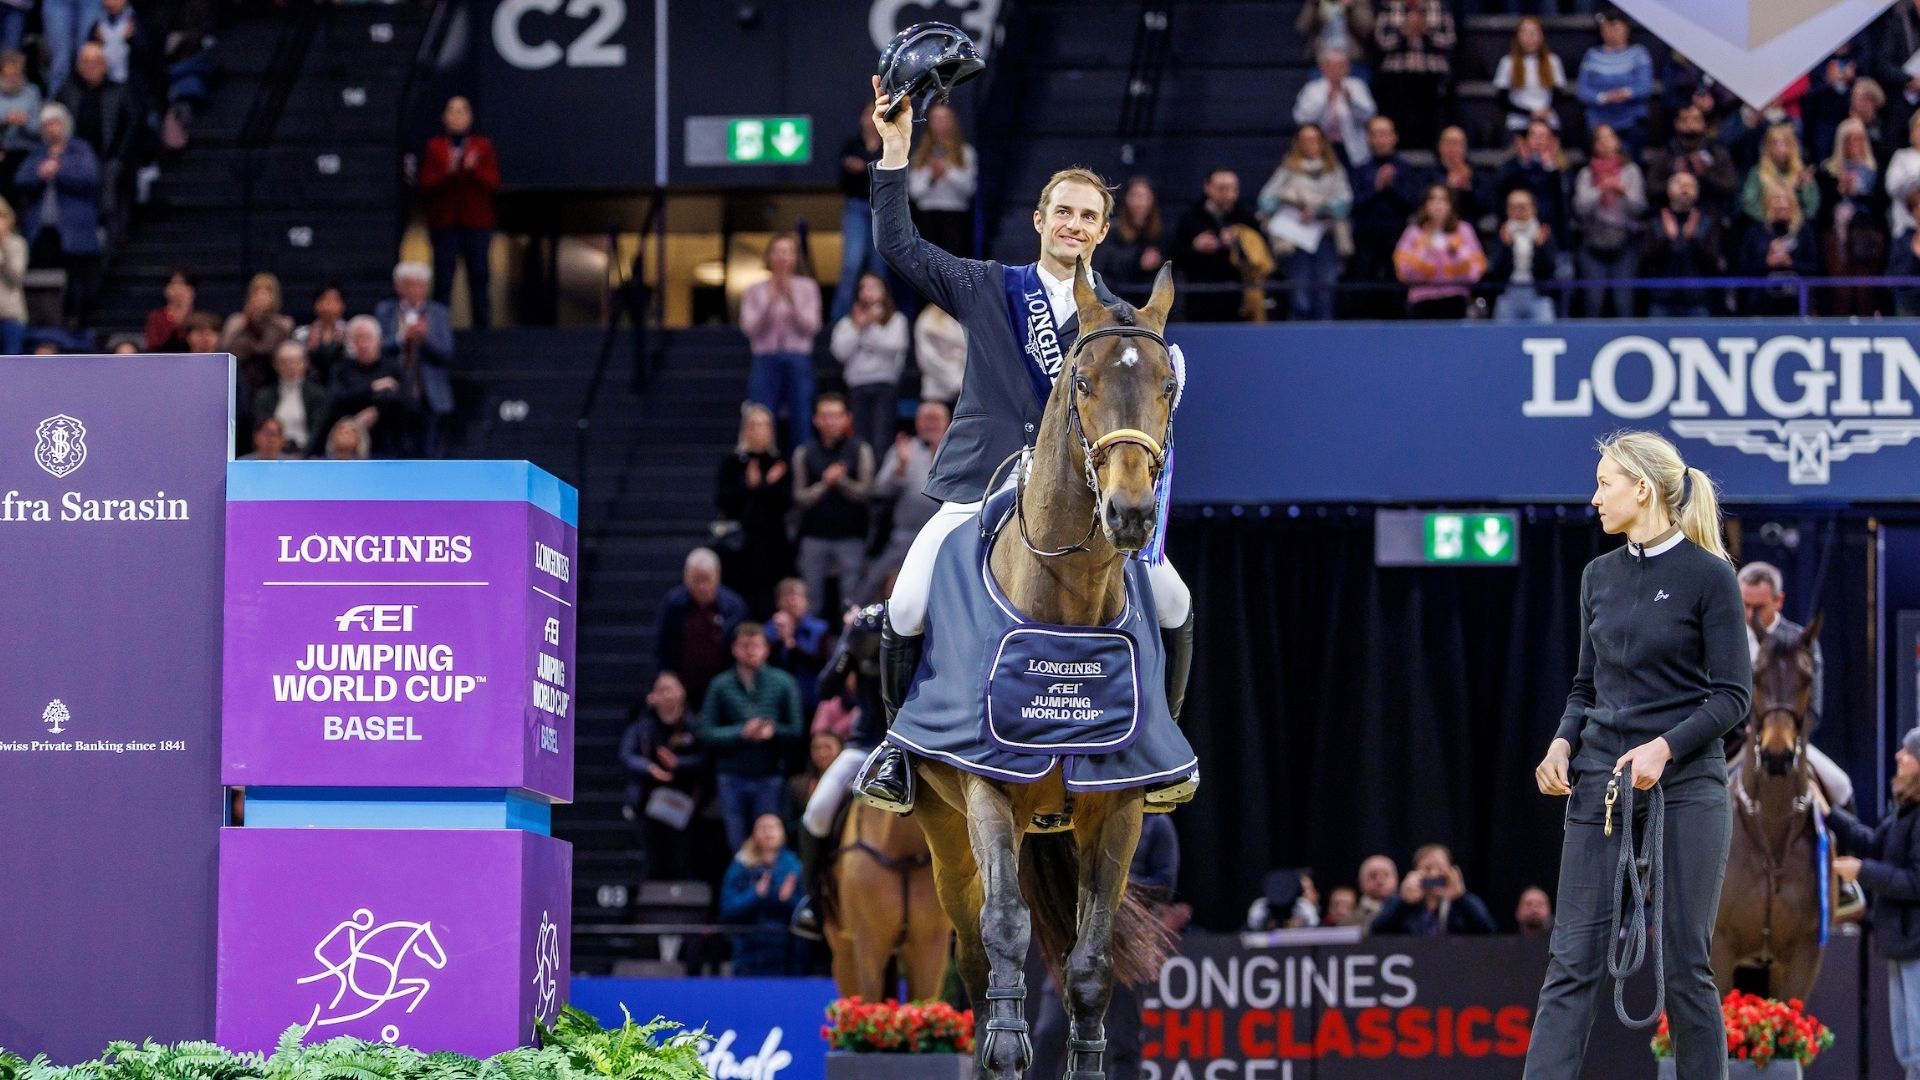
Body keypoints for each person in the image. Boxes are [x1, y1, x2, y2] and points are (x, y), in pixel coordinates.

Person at [858, 71, 1196, 814]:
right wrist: (894, 154)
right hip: (978, 483)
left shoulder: (1119, 324)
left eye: (1089, 217)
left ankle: (1162, 744)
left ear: (1104, 232)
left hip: (1079, 502)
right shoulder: (986, 285)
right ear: (1040, 219)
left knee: (1174, 600)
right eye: (1064, 212)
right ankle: (898, 749)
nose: (1074, 225)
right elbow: (898, 243)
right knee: (908, 603)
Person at [1527, 430, 1750, 1080]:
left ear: (1643, 489)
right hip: (1600, 788)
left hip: (1686, 789)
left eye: (1605, 483)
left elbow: (1734, 697)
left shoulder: (1710, 576)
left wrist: (1666, 746)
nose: (1594, 496)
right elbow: (1584, 687)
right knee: (1571, 963)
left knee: (1686, 967)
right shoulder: (1598, 576)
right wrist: (1563, 740)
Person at [1821, 727, 1920, 1080]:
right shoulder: (1904, 812)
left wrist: (1862, 871)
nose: (1898, 757)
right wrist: (1829, 813)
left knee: (1918, 1050)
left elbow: (1915, 881)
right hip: (1901, 944)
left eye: (1907, 752)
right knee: (1908, 1047)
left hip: (1915, 946)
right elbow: (1871, 843)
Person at [1737, 561, 1849, 808]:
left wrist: (1786, 732)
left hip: (1787, 739)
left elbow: (1814, 705)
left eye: (1758, 607)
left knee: (1841, 787)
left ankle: (1844, 847)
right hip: (1734, 743)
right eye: (1744, 605)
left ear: (1778, 601)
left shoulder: (1801, 641)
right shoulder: (1724, 639)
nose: (1749, 615)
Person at [699, 623, 804, 852]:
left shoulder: (783, 682)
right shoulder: (720, 685)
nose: (750, 651)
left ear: (766, 648)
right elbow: (706, 732)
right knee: (737, 843)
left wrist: (773, 732)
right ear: (734, 649)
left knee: (768, 841)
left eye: (756, 645)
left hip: (769, 774)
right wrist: (741, 732)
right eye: (744, 646)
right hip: (731, 775)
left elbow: (797, 729)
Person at [15, 102, 101, 324]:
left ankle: (76, 321)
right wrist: (40, 174)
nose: (50, 129)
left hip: (74, 228)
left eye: (54, 124)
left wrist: (59, 170)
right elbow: (20, 180)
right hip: (42, 228)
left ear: (64, 125)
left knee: (77, 280)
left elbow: (90, 178)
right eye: (46, 125)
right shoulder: (38, 153)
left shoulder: (80, 149)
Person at [619, 671, 708, 882]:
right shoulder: (642, 724)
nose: (667, 695)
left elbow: (706, 758)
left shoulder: (694, 725)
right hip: (649, 801)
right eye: (661, 690)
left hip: (685, 801)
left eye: (671, 689)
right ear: (653, 696)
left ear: (682, 692)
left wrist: (679, 764)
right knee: (652, 859)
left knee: (681, 859)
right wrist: (650, 767)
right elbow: (626, 754)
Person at [419, 96, 498, 328]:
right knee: (443, 278)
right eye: (452, 110)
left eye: (463, 110)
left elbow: (493, 182)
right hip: (445, 223)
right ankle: (439, 330)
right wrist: (449, 171)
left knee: (480, 275)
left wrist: (472, 170)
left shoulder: (482, 147)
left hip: (477, 223)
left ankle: (482, 327)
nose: (457, 115)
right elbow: (426, 183)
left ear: (471, 117)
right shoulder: (435, 147)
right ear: (444, 117)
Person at [858, 400, 948, 603]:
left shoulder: (957, 450)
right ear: (916, 422)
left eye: (935, 419)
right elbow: (880, 489)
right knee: (873, 578)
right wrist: (901, 465)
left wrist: (938, 453)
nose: (930, 424)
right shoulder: (904, 448)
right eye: (925, 419)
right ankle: (854, 621)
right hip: (905, 534)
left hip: (943, 533)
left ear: (948, 422)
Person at [1258, 124, 1351, 321]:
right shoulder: (1288, 169)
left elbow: (1344, 203)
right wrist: (1292, 203)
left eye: (1314, 139)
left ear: (1322, 142)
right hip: (1297, 243)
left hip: (1325, 240)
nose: (1310, 144)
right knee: (1301, 298)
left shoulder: (1334, 169)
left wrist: (1318, 210)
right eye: (1305, 140)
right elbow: (1265, 201)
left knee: (1325, 295)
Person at [791, 392, 873, 614]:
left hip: (850, 536)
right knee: (810, 600)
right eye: (825, 416)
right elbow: (799, 497)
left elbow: (866, 491)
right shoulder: (804, 452)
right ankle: (810, 646)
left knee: (851, 602)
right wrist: (824, 484)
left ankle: (848, 646)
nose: (830, 421)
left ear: (847, 419)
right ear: (816, 419)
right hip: (813, 536)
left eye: (836, 415)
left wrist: (842, 481)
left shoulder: (860, 449)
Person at [740, 233, 822, 445]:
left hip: (798, 356)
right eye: (778, 251)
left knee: (801, 414)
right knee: (761, 414)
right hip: (765, 356)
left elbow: (811, 326)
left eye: (788, 251)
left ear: (795, 257)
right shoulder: (754, 290)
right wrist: (769, 300)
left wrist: (792, 299)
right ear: (769, 256)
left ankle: (801, 465)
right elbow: (750, 327)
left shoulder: (807, 287)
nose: (783, 257)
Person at [714, 403, 793, 617]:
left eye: (764, 425)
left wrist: (764, 486)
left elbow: (786, 503)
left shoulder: (780, 463)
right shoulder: (731, 463)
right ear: (745, 429)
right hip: (740, 546)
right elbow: (723, 501)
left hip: (773, 544)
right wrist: (751, 486)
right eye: (754, 425)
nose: (759, 430)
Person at [374, 261, 456, 457]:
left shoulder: (439, 313)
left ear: (426, 288)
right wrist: (402, 338)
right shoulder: (385, 311)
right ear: (397, 287)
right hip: (394, 390)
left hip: (428, 390)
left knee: (428, 451)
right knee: (394, 450)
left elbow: (447, 354)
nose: (414, 290)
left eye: (419, 285)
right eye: (408, 284)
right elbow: (377, 348)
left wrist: (425, 338)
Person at [654, 547, 750, 708]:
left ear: (717, 576)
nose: (701, 586)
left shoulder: (735, 606)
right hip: (683, 684)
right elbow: (660, 645)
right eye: (695, 580)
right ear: (686, 577)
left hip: (724, 685)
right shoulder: (673, 603)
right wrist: (664, 677)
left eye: (706, 579)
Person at [1350, 116, 1424, 314]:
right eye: (1375, 134)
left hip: (1397, 238)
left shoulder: (1405, 169)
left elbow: (1410, 203)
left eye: (1385, 134)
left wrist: (1389, 188)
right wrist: (1377, 187)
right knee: (1364, 290)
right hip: (1366, 239)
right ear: (1369, 139)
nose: (1380, 139)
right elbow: (1355, 204)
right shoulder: (1360, 170)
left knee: (1395, 292)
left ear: (1394, 137)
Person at [828, 271, 908, 453]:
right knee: (860, 440)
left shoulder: (896, 319)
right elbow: (840, 352)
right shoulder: (848, 323)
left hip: (884, 385)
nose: (867, 291)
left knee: (882, 438)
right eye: (863, 287)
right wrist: (858, 327)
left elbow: (894, 345)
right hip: (857, 386)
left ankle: (880, 479)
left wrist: (871, 327)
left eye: (872, 287)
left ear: (884, 291)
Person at [717, 813, 805, 976]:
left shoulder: (794, 866)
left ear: (783, 833)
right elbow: (727, 909)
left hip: (786, 953)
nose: (768, 831)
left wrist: (788, 901)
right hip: (748, 952)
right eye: (763, 827)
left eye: (773, 827)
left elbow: (807, 913)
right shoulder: (740, 865)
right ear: (754, 834)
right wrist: (755, 894)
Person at [1573, 124, 1647, 317]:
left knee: (1623, 301)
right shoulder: (1586, 174)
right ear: (1594, 145)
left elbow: (1639, 208)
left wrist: (1622, 192)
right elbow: (1580, 208)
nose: (1605, 142)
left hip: (1625, 241)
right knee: (1593, 301)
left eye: (1610, 137)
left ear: (1618, 142)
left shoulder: (1630, 171)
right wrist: (1599, 190)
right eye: (1600, 139)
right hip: (1593, 243)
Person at [1818, 117, 1890, 316]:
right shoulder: (1828, 170)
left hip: (1868, 235)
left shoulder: (1876, 169)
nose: (1854, 144)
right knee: (1841, 288)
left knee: (1865, 288)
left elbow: (1882, 204)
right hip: (1835, 236)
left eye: (1859, 139)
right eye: (1849, 139)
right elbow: (1822, 209)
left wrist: (1858, 194)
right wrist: (1839, 190)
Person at [1174, 167, 1262, 322]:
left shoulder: (1246, 218)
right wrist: (1195, 247)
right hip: (1200, 300)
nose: (1228, 194)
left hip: (1239, 300)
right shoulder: (1190, 218)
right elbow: (1173, 256)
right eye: (1222, 188)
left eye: (1233, 189)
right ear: (1207, 187)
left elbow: (1262, 257)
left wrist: (1240, 241)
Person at [325, 315, 415, 458]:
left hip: (389, 442)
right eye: (358, 338)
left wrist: (377, 411)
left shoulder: (393, 368)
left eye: (368, 338)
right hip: (350, 445)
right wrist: (372, 388)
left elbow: (408, 401)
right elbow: (335, 399)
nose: (363, 344)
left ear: (379, 340)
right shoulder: (342, 368)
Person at [1393, 184, 1485, 319]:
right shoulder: (1412, 233)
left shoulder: (1464, 230)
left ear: (1451, 205)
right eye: (1432, 199)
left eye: (1443, 200)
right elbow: (1404, 273)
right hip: (1421, 301)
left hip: (1455, 299)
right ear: (1425, 205)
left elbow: (1475, 272)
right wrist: (1425, 251)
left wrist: (1456, 253)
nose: (1437, 205)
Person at [1372, 0, 1454, 151]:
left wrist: (1426, 30)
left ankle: (1433, 151)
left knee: (1433, 115)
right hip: (1398, 74)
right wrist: (1403, 32)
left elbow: (1449, 40)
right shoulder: (1390, 7)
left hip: (1431, 74)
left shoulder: (1438, 6)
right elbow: (1381, 41)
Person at [1641, 172, 1725, 319]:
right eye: (1679, 183)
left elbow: (1714, 262)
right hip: (1661, 301)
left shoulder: (1708, 223)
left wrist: (1693, 239)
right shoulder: (1655, 222)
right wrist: (1667, 239)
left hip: (1698, 301)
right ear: (1668, 190)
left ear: (1697, 193)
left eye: (1690, 185)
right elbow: (1645, 260)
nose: (1684, 188)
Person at [832, 104, 887, 324]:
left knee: (879, 265)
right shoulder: (852, 144)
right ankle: (839, 320)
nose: (871, 118)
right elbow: (843, 181)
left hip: (880, 209)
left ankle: (881, 317)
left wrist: (862, 168)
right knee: (851, 264)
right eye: (867, 113)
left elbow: (889, 178)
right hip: (856, 206)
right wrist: (869, 169)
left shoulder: (887, 144)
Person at [1369, 844, 1497, 935]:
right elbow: (1377, 931)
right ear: (1415, 872)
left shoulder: (1464, 901)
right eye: (1427, 868)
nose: (1434, 874)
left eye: (1440, 868)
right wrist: (1405, 902)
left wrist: (1460, 898)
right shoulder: (1398, 902)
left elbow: (1488, 930)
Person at [1575, 8, 1652, 155]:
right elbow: (1582, 90)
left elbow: (1644, 86)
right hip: (1599, 119)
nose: (1612, 32)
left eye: (1616, 27)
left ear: (1626, 29)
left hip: (1631, 119)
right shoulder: (1592, 56)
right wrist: (1603, 97)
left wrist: (1626, 93)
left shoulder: (1639, 53)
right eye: (1607, 28)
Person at [1736, 183, 1819, 316]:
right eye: (1776, 199)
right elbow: (1743, 268)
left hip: (1797, 305)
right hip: (1760, 306)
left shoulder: (1804, 231)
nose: (1781, 204)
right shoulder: (1755, 232)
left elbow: (1814, 267)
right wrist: (1767, 263)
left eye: (1785, 199)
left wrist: (1790, 263)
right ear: (1767, 203)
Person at [1645, 104, 1740, 217]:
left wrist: (1705, 174)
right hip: (1670, 215)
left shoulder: (1718, 153)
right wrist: (1675, 176)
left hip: (1709, 214)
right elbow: (1651, 189)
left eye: (1696, 120)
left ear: (1704, 124)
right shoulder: (1665, 155)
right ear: (1676, 124)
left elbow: (1731, 187)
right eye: (1685, 120)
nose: (1690, 125)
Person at [907, 102, 976, 257]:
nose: (940, 123)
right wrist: (931, 177)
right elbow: (915, 193)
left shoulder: (965, 153)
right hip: (927, 216)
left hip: (954, 217)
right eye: (936, 119)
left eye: (944, 118)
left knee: (954, 263)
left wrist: (947, 171)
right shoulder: (920, 156)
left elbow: (969, 189)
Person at [1292, 47, 1376, 168]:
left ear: (1348, 67)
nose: (1337, 70)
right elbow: (1301, 118)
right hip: (1322, 148)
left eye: (1341, 65)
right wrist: (1325, 101)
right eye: (1332, 66)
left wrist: (1351, 101)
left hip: (1352, 148)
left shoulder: (1357, 86)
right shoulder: (1312, 89)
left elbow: (1370, 115)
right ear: (1323, 67)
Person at [1487, 188, 1559, 322]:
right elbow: (1495, 271)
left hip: (1538, 295)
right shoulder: (1502, 233)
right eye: (1513, 207)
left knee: (1544, 335)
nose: (1518, 211)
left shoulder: (1544, 233)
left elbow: (1550, 269)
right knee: (1502, 337)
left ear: (1533, 209)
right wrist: (1506, 248)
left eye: (1522, 207)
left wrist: (1540, 248)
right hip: (1509, 294)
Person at [1497, 120, 1572, 246]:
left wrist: (1550, 168)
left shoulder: (1561, 168)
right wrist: (1523, 164)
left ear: (1552, 141)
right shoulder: (1512, 166)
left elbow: (1565, 196)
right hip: (1516, 234)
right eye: (1534, 135)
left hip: (1553, 235)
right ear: (1525, 139)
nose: (1538, 140)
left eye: (1543, 136)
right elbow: (1500, 190)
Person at [766, 577, 833, 719]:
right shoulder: (768, 630)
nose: (792, 602)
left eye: (797, 596)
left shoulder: (820, 629)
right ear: (778, 602)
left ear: (806, 601)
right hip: (777, 700)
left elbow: (821, 663)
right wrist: (780, 639)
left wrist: (791, 643)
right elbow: (766, 664)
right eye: (786, 596)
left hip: (811, 699)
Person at [221, 271, 295, 394]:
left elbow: (269, 350)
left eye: (267, 291)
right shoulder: (236, 322)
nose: (261, 296)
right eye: (257, 291)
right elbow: (226, 351)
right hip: (240, 381)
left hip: (272, 383)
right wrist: (247, 322)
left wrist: (260, 321)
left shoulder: (284, 324)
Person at [1493, 17, 1567, 138]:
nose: (1530, 38)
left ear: (1541, 36)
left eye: (1533, 33)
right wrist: (1530, 113)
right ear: (1518, 37)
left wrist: (1544, 111)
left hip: (1547, 121)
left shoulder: (1553, 61)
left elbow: (1558, 94)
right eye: (1525, 33)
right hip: (1518, 123)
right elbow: (1502, 99)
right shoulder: (1508, 62)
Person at [252, 341, 325, 457]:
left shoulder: (317, 394)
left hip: (306, 455)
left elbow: (317, 430)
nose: (290, 366)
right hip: (272, 455)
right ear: (275, 365)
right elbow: (261, 428)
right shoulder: (264, 396)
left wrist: (304, 455)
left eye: (295, 361)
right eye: (284, 362)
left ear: (305, 364)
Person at [1740, 122, 1820, 229]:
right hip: (1764, 227)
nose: (1780, 148)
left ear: (1793, 146)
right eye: (1775, 143)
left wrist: (1803, 189)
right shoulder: (1757, 172)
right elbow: (1748, 203)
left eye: (1785, 143)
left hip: (1797, 228)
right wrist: (1769, 219)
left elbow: (1811, 209)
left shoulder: (1802, 173)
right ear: (1767, 146)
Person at [1434, 125, 1490, 228]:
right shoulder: (1428, 173)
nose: (1453, 148)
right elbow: (1420, 203)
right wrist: (1448, 186)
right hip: (1436, 227)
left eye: (1457, 143)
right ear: (1440, 146)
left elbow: (1487, 207)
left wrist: (1467, 187)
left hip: (1469, 229)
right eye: (1449, 143)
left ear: (1465, 147)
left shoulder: (1477, 173)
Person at [0, 50, 43, 182]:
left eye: (16, 74)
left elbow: (38, 129)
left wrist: (25, 123)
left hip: (27, 151)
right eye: (8, 75)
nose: (12, 78)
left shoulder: (32, 92)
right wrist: (5, 122)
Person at [911, 303, 965, 407]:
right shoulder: (928, 319)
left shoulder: (974, 316)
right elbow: (928, 358)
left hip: (970, 393)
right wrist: (955, 381)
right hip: (938, 392)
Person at [294, 283, 348, 384]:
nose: (328, 305)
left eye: (333, 300)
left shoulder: (351, 332)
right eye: (323, 299)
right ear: (316, 305)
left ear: (342, 306)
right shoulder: (301, 333)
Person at [1294, 0, 1373, 67]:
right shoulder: (1314, 2)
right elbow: (1302, 28)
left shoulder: (1359, 2)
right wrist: (1314, 5)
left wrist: (1351, 8)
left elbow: (1367, 28)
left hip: (1352, 59)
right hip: (1321, 59)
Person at [143, 268, 193, 352]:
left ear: (191, 290)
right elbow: (153, 345)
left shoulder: (200, 317)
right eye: (173, 285)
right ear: (166, 290)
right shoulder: (156, 317)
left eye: (182, 285)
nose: (178, 290)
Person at [0, 199, 24, 354]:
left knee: (11, 369)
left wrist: (3, 246)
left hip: (10, 317)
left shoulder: (16, 244)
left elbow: (16, 276)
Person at [1355, 854, 1399, 930]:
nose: (1380, 881)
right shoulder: (1348, 922)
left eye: (1386, 875)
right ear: (1361, 882)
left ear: (1396, 879)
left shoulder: (1412, 918)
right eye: (1373, 876)